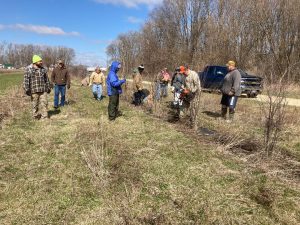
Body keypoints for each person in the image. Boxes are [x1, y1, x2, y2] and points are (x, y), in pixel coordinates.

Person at [23, 55, 51, 120]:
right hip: (34, 90)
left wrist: (48, 87)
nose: (41, 62)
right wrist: (26, 89)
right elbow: (26, 80)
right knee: (35, 105)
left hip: (43, 90)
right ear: (35, 62)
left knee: (44, 103)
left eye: (41, 61)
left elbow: (46, 79)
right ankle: (35, 117)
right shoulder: (28, 69)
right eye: (40, 61)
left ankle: (44, 117)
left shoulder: (43, 69)